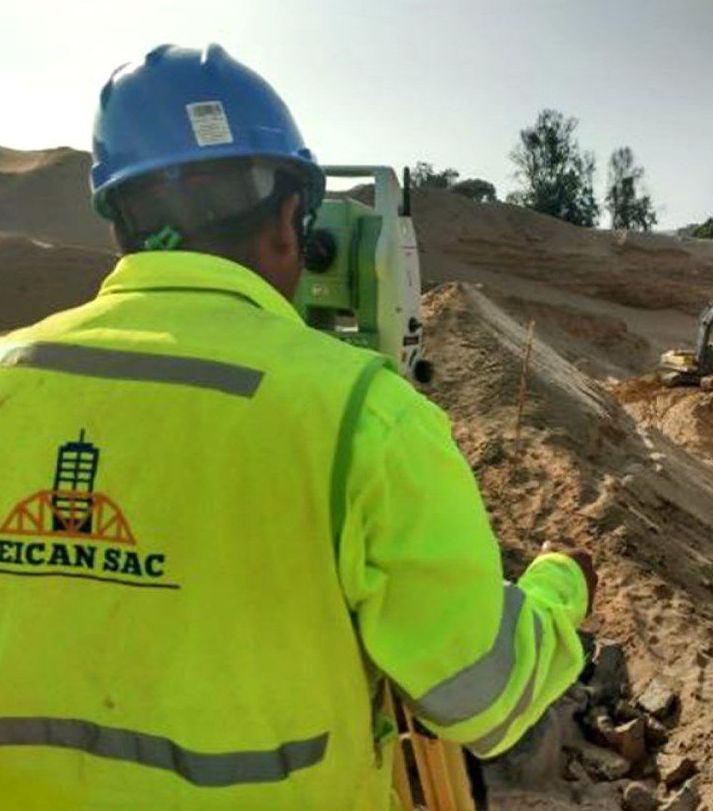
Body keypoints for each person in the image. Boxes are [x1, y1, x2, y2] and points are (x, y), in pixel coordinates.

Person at [0, 43, 596, 810]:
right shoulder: (360, 416)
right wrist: (561, 585)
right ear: (288, 221)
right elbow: (484, 693)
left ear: (116, 218)